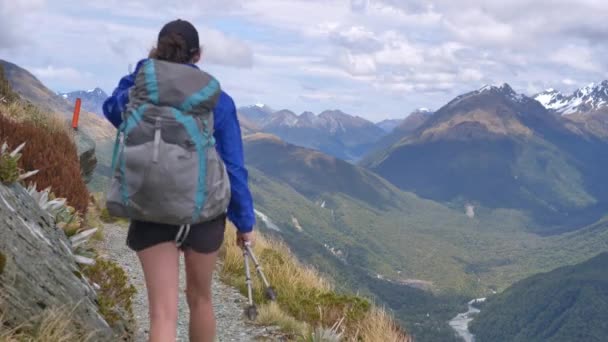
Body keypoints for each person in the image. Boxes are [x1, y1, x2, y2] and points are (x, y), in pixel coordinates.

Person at [102, 19, 255, 342]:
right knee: (201, 301)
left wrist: (145, 69)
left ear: (157, 49)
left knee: (162, 313)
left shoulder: (137, 92)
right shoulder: (218, 100)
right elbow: (234, 166)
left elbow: (112, 109)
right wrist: (244, 222)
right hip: (204, 213)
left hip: (151, 206)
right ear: (197, 55)